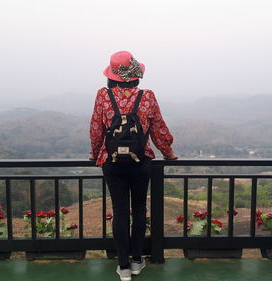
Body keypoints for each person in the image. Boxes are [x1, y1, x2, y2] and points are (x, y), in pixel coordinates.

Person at [89, 50, 177, 281]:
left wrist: (94, 153)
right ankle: (138, 261)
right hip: (141, 162)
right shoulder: (147, 96)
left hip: (112, 162)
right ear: (136, 74)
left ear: (112, 75)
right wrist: (168, 154)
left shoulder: (103, 95)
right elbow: (159, 129)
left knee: (120, 212)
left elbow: (96, 130)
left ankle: (124, 266)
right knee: (139, 209)